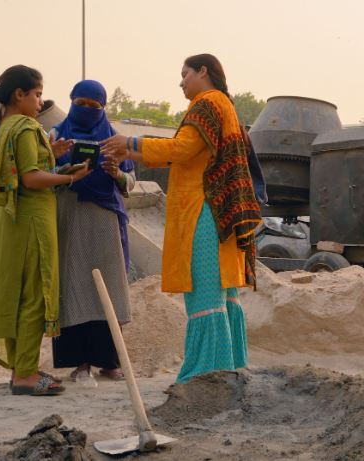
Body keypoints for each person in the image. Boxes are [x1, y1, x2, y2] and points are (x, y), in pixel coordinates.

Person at [102, 54, 262, 384]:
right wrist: (129, 151)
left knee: (205, 299)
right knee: (225, 298)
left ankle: (205, 378)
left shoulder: (206, 104)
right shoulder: (225, 106)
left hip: (204, 212)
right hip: (224, 216)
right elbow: (184, 154)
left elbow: (182, 149)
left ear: (204, 71)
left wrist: (131, 142)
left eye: (184, 74)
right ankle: (231, 372)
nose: (181, 82)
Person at [0, 65, 90, 396]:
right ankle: (24, 376)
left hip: (12, 224)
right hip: (32, 222)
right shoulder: (25, 127)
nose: (40, 102)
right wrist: (69, 177)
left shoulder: (6, 127)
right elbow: (30, 179)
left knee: (17, 293)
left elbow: (25, 168)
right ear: (18, 95)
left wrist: (50, 156)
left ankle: (21, 369)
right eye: (37, 95)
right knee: (34, 295)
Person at [49, 80, 135, 381]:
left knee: (108, 289)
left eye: (93, 105)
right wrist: (64, 169)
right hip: (68, 218)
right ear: (71, 101)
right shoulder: (56, 135)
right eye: (80, 103)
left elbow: (130, 183)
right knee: (72, 285)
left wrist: (116, 173)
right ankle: (80, 363)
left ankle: (110, 361)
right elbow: (43, 172)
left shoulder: (114, 138)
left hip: (104, 218)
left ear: (103, 108)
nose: (86, 110)